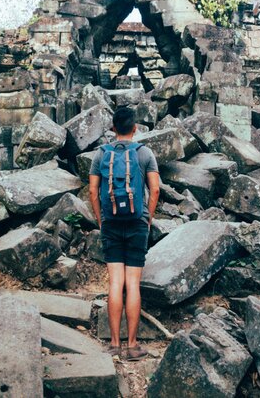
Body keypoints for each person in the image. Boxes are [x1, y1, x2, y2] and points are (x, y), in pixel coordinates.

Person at [89, 106, 160, 360]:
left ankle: (114, 345)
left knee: (115, 284)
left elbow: (93, 192)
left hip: (110, 223)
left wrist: (101, 220)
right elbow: (155, 190)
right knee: (133, 284)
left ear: (112, 128)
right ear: (135, 128)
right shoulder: (145, 153)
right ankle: (131, 346)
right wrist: (147, 217)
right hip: (137, 223)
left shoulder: (100, 154)